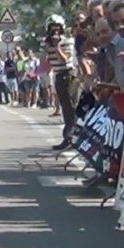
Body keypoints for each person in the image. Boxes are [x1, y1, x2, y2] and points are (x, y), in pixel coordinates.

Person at [44, 13, 76, 150]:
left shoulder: (66, 41)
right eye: (52, 28)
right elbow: (48, 61)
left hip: (68, 74)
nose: (55, 31)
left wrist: (57, 47)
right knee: (65, 107)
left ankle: (71, 137)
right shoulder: (46, 43)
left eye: (57, 28)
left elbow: (65, 59)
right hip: (58, 75)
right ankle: (68, 137)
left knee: (70, 107)